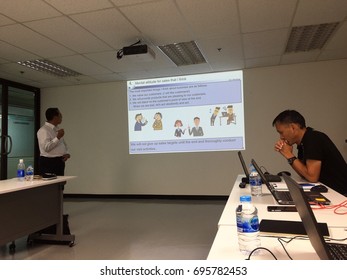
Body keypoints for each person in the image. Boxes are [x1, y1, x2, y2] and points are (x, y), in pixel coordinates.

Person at [272, 109, 347, 196]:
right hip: (329, 191)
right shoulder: (303, 142)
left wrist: (289, 155)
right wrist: (289, 155)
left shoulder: (313, 139)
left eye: (281, 132)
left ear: (293, 127)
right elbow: (304, 174)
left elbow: (312, 177)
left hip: (341, 195)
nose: (281, 137)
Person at [37, 108, 70, 176]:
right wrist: (57, 137)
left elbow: (62, 144)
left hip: (59, 161)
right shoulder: (43, 130)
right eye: (60, 115)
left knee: (60, 185)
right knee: (50, 186)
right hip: (49, 162)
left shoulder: (57, 129)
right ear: (55, 117)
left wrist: (66, 153)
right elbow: (46, 148)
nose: (61, 117)